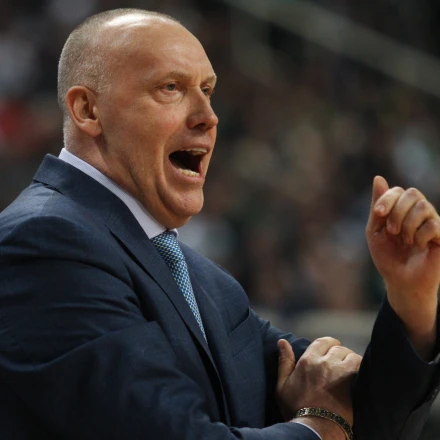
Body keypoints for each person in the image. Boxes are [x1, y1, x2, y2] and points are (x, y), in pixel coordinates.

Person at [0, 8, 439, 440]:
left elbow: (366, 419)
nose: (208, 116)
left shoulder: (205, 280)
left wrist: (412, 302)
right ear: (88, 110)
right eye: (171, 88)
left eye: (208, 90)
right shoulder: (43, 243)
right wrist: (319, 426)